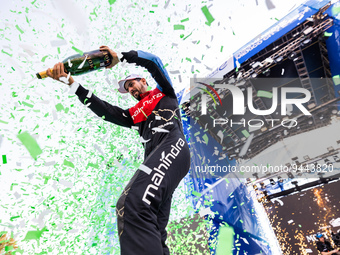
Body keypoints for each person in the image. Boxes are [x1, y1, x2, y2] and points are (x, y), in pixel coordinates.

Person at [46, 46, 190, 255]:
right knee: (155, 228)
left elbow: (154, 61)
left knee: (131, 203)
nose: (131, 89)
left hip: (173, 146)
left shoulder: (163, 91)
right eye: (128, 88)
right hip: (160, 157)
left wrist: (121, 57)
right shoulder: (133, 115)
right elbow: (105, 110)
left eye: (132, 84)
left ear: (143, 81)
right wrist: (71, 83)